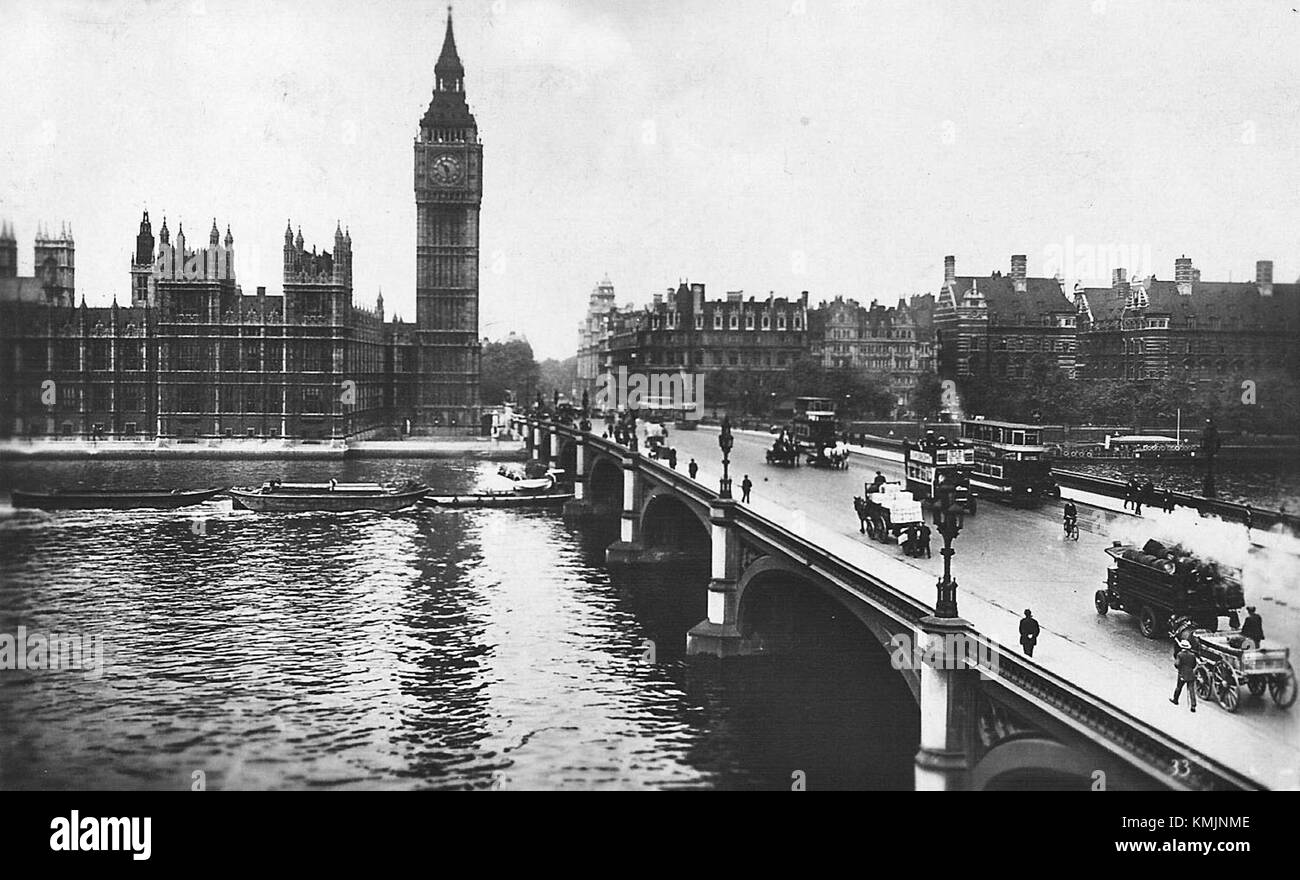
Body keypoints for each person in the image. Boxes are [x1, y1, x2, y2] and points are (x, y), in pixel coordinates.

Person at [1170, 640, 1198, 712]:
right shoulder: (1192, 655)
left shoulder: (1180, 654)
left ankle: (1175, 700)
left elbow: (1177, 664)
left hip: (1182, 674)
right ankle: (1193, 706)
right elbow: (1194, 664)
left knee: (1178, 687)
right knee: (1191, 690)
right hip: (1191, 674)